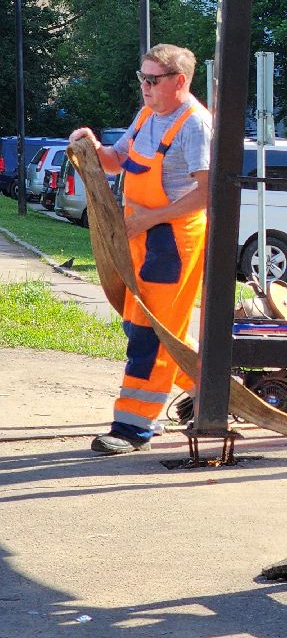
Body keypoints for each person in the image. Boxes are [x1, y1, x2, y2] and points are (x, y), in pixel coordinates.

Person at [70, 44, 212, 455]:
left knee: (152, 336)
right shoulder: (148, 114)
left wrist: (152, 218)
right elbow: (116, 159)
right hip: (142, 236)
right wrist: (91, 147)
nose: (145, 86)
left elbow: (208, 193)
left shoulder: (195, 124)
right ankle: (212, 392)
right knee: (141, 327)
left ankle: (133, 428)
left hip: (173, 243)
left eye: (153, 79)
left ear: (179, 81)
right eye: (142, 77)